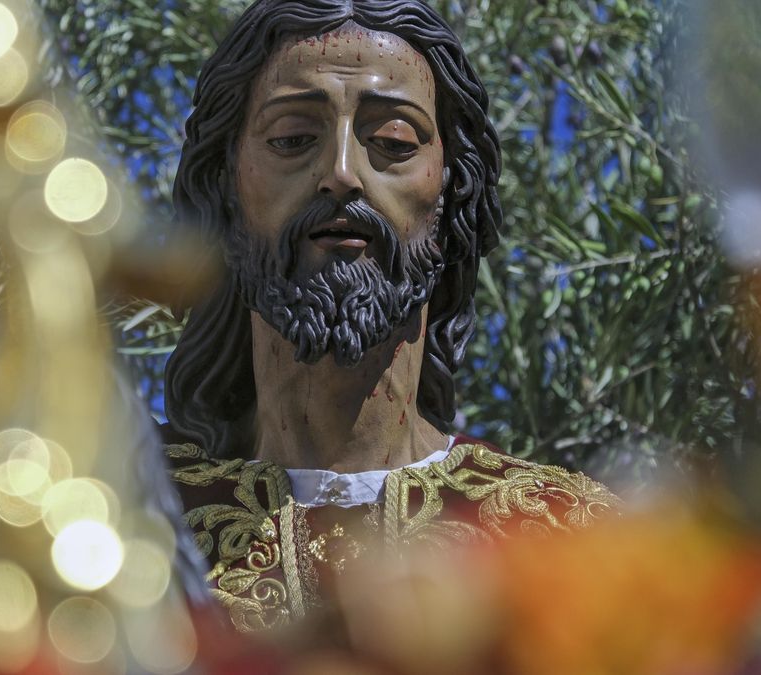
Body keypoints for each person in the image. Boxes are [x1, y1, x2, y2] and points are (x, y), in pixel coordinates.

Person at [161, 0, 620, 632]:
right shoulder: (124, 529)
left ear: (452, 191)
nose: (342, 174)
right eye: (293, 138)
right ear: (225, 184)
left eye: (394, 141)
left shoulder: (563, 541)